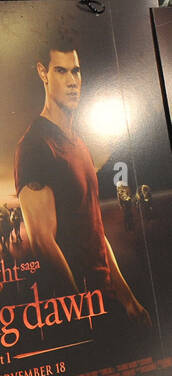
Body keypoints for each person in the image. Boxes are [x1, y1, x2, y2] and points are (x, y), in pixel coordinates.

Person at [15, 40, 148, 323]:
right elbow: (42, 243)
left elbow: (95, 228)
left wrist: (129, 299)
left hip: (107, 301)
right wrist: (84, 315)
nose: (73, 81)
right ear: (43, 73)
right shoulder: (35, 146)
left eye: (76, 71)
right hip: (82, 311)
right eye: (61, 71)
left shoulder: (78, 143)